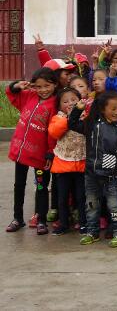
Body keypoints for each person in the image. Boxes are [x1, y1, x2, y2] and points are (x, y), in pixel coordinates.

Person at [68, 91, 117, 248]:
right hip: (91, 175)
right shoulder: (92, 125)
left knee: (115, 206)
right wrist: (78, 109)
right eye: (113, 108)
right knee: (91, 205)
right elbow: (72, 124)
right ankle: (92, 232)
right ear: (103, 109)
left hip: (112, 177)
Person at [5, 68, 58, 234]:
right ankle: (17, 218)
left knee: (41, 186)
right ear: (33, 86)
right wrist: (16, 86)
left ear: (55, 85)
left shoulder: (55, 104)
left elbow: (53, 132)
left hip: (40, 156)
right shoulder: (29, 96)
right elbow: (11, 94)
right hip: (21, 153)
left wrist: (50, 152)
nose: (43, 90)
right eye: (39, 86)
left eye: (47, 86)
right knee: (19, 185)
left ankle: (41, 220)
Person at [47, 87, 87, 236]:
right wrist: (70, 117)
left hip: (82, 163)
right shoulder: (58, 118)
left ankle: (83, 223)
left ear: (80, 101)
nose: (70, 103)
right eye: (65, 101)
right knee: (62, 198)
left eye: (73, 100)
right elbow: (54, 132)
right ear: (59, 105)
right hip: (63, 165)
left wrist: (79, 114)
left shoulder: (86, 116)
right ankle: (63, 224)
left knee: (81, 197)